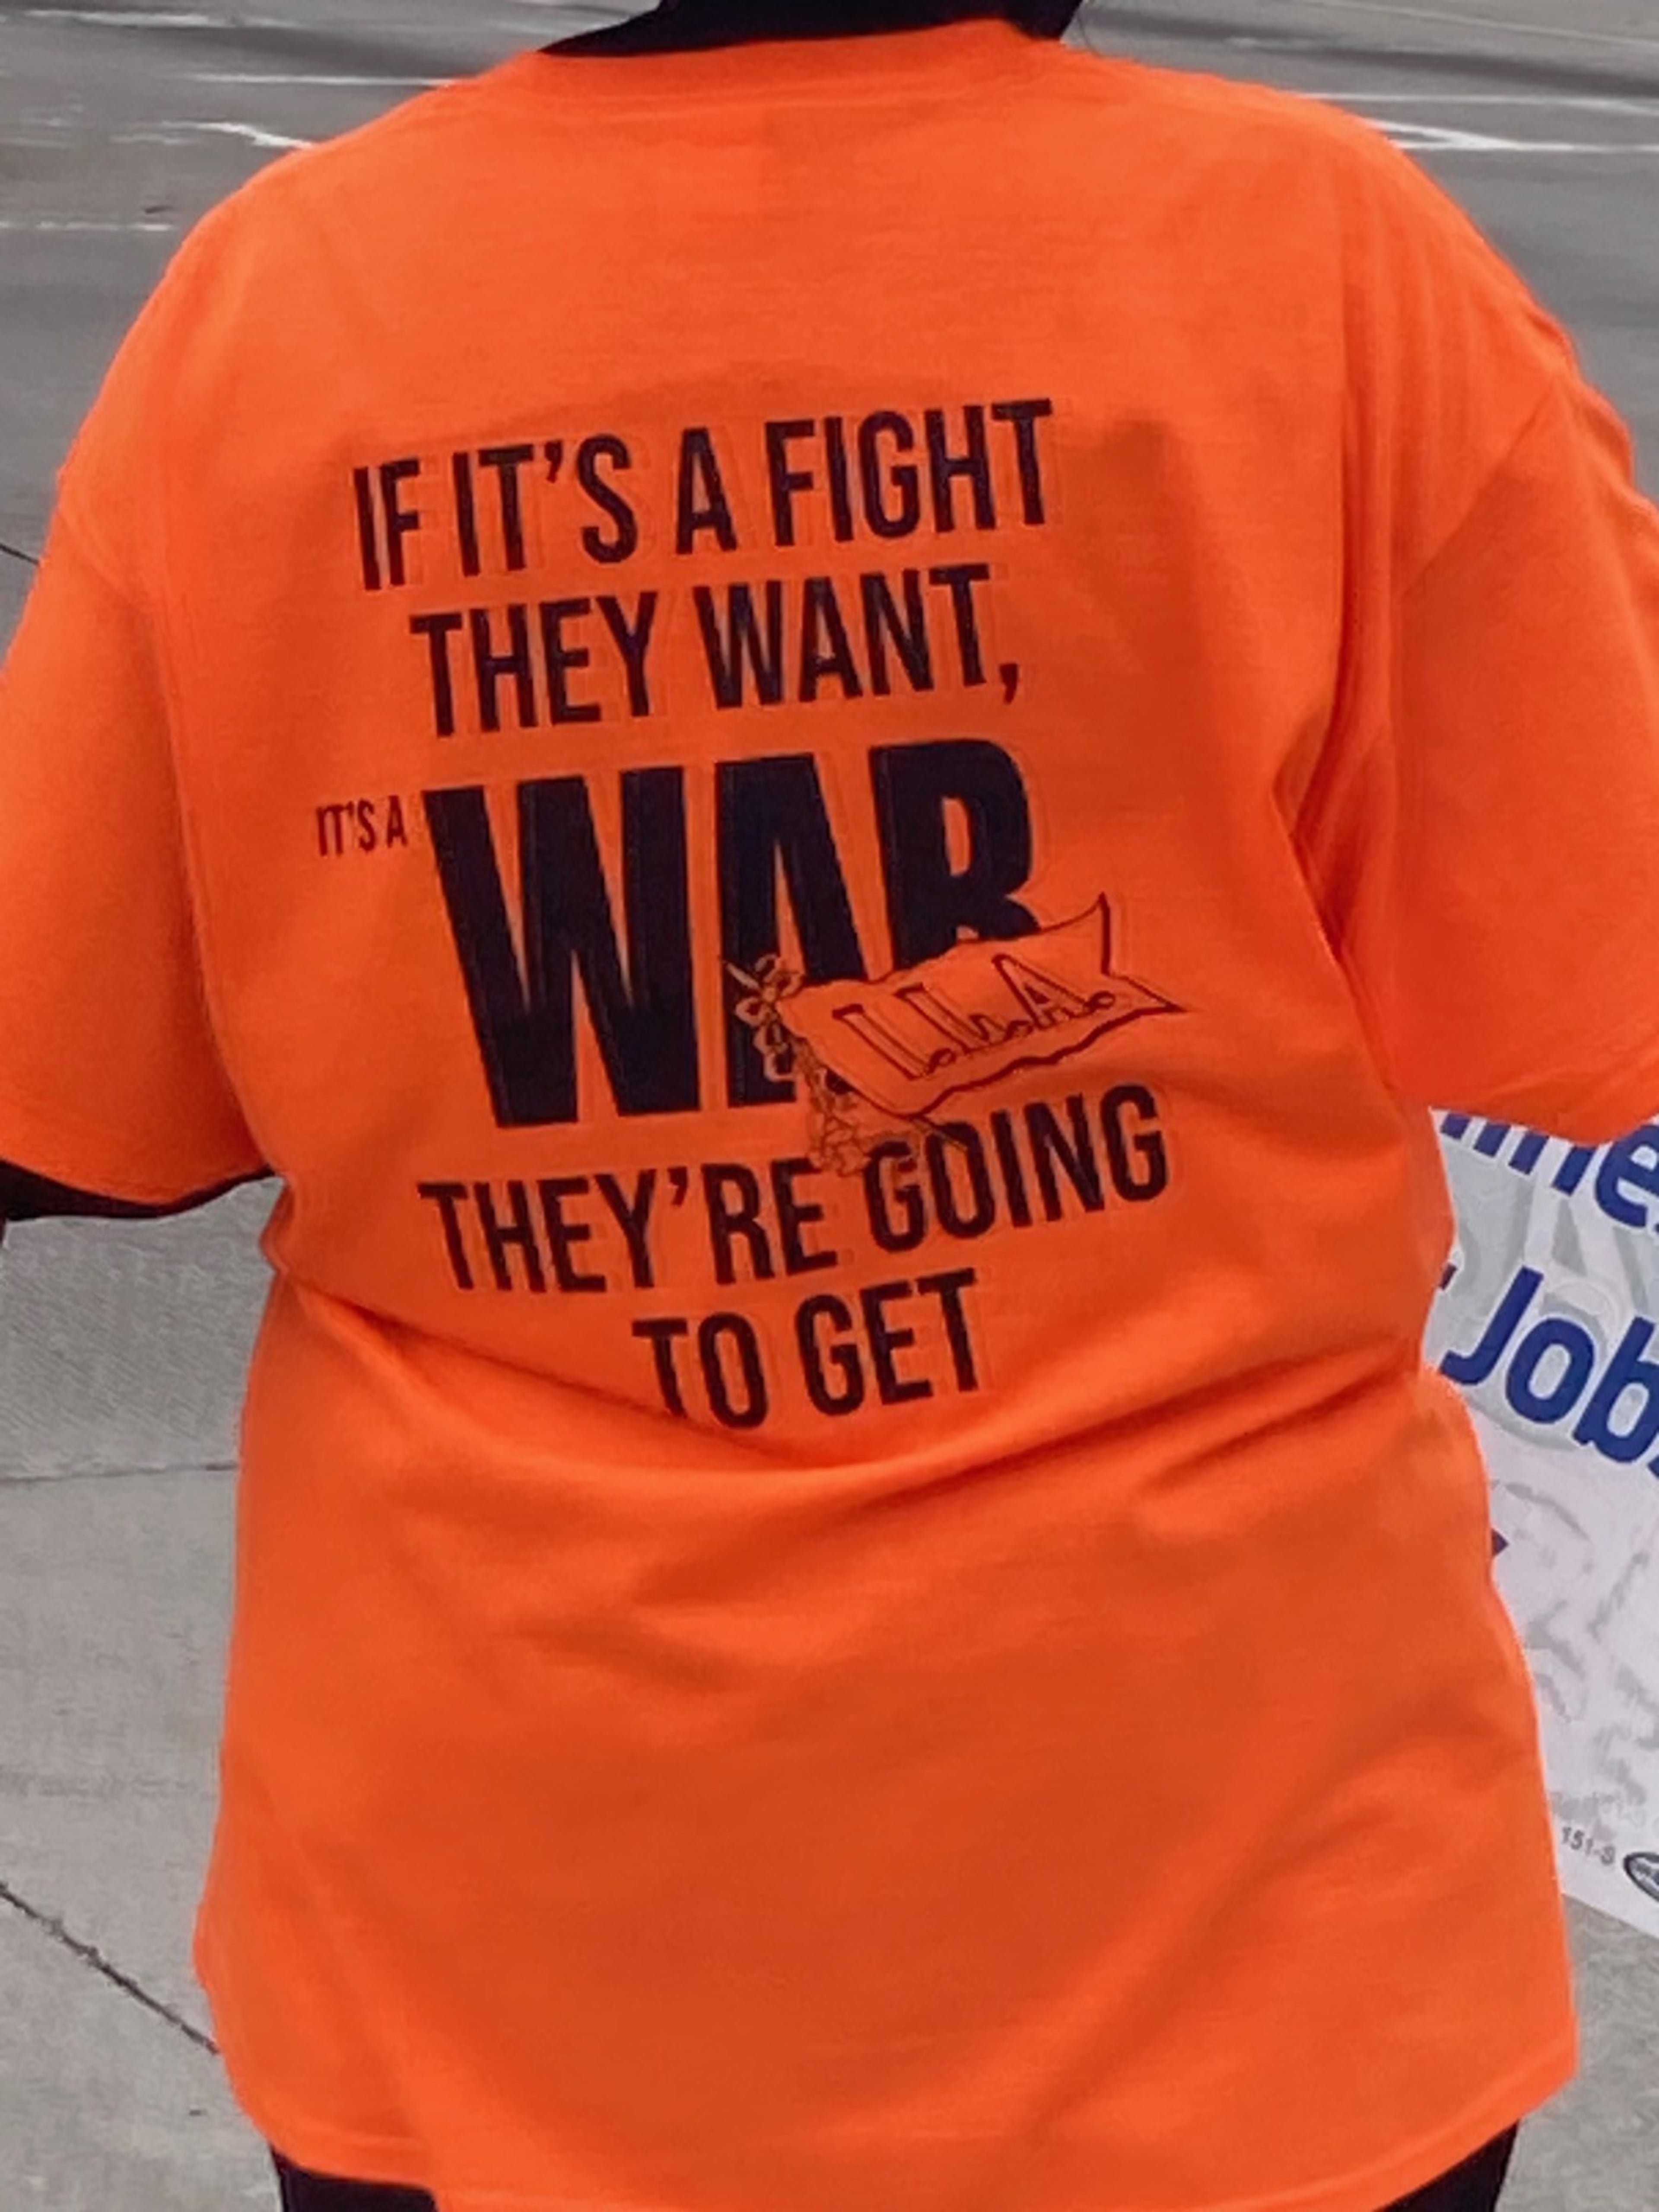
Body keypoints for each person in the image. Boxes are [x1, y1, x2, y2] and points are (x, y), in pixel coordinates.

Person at [2, 0, 1658, 2202]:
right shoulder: (1319, 258)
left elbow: (63, 1103)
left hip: (510, 1939)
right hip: (1250, 1927)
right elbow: (1587, 969)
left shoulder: (283, 301)